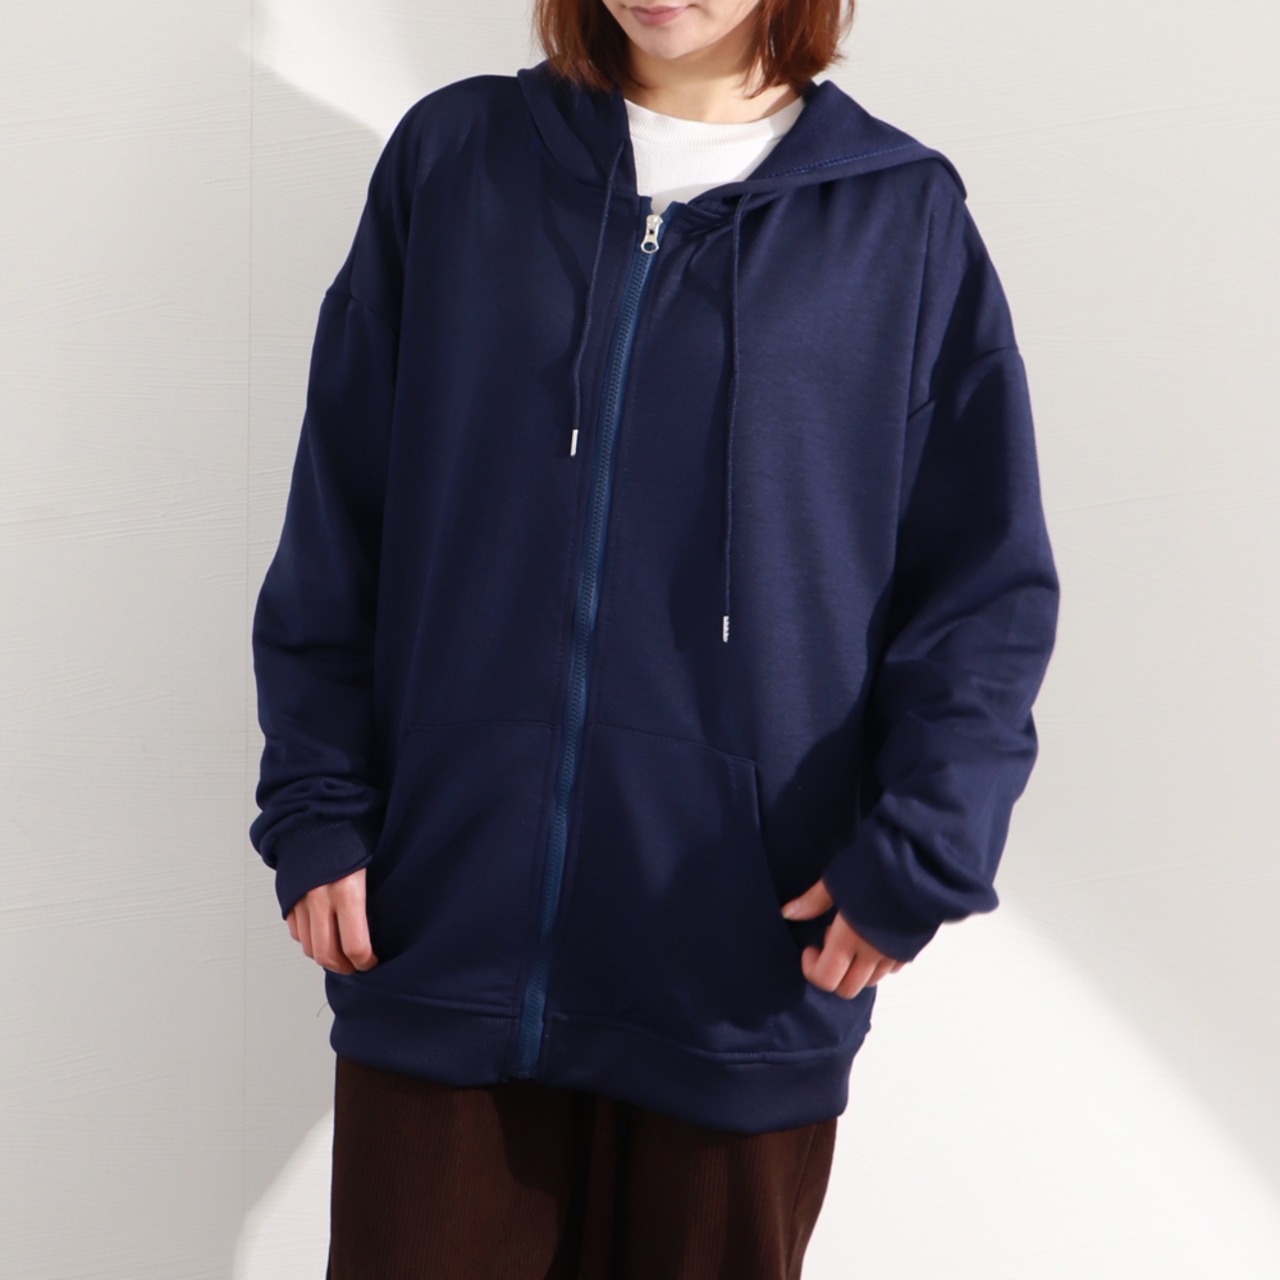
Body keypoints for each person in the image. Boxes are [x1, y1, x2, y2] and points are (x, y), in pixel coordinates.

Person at [248, 0, 1060, 1274]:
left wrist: (920, 849)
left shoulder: (895, 219)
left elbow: (980, 589)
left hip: (739, 965)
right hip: (438, 932)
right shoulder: (455, 164)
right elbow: (338, 515)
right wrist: (316, 800)